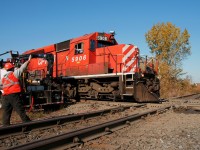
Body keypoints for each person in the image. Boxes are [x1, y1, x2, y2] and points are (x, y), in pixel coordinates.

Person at [1, 55, 32, 126]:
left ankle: (5, 127)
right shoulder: (14, 74)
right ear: (12, 68)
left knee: (6, 112)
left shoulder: (3, 78)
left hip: (5, 97)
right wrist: (28, 61)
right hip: (13, 96)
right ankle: (28, 124)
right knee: (20, 110)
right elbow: (22, 68)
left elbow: (1, 86)